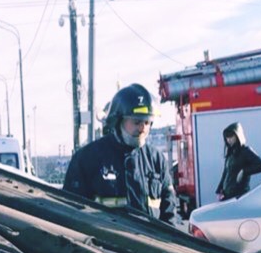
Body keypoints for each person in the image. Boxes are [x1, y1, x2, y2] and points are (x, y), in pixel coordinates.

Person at [62, 83, 177, 224]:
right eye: (137, 122)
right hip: (103, 244)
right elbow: (71, 212)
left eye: (147, 122)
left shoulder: (156, 160)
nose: (143, 128)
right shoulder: (88, 158)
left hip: (150, 243)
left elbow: (169, 210)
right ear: (118, 120)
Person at [215, 122, 261, 200]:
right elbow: (225, 173)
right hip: (227, 196)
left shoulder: (246, 151)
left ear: (237, 136)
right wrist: (219, 190)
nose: (228, 140)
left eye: (231, 136)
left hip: (240, 196)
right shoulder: (230, 153)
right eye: (227, 137)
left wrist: (244, 171)